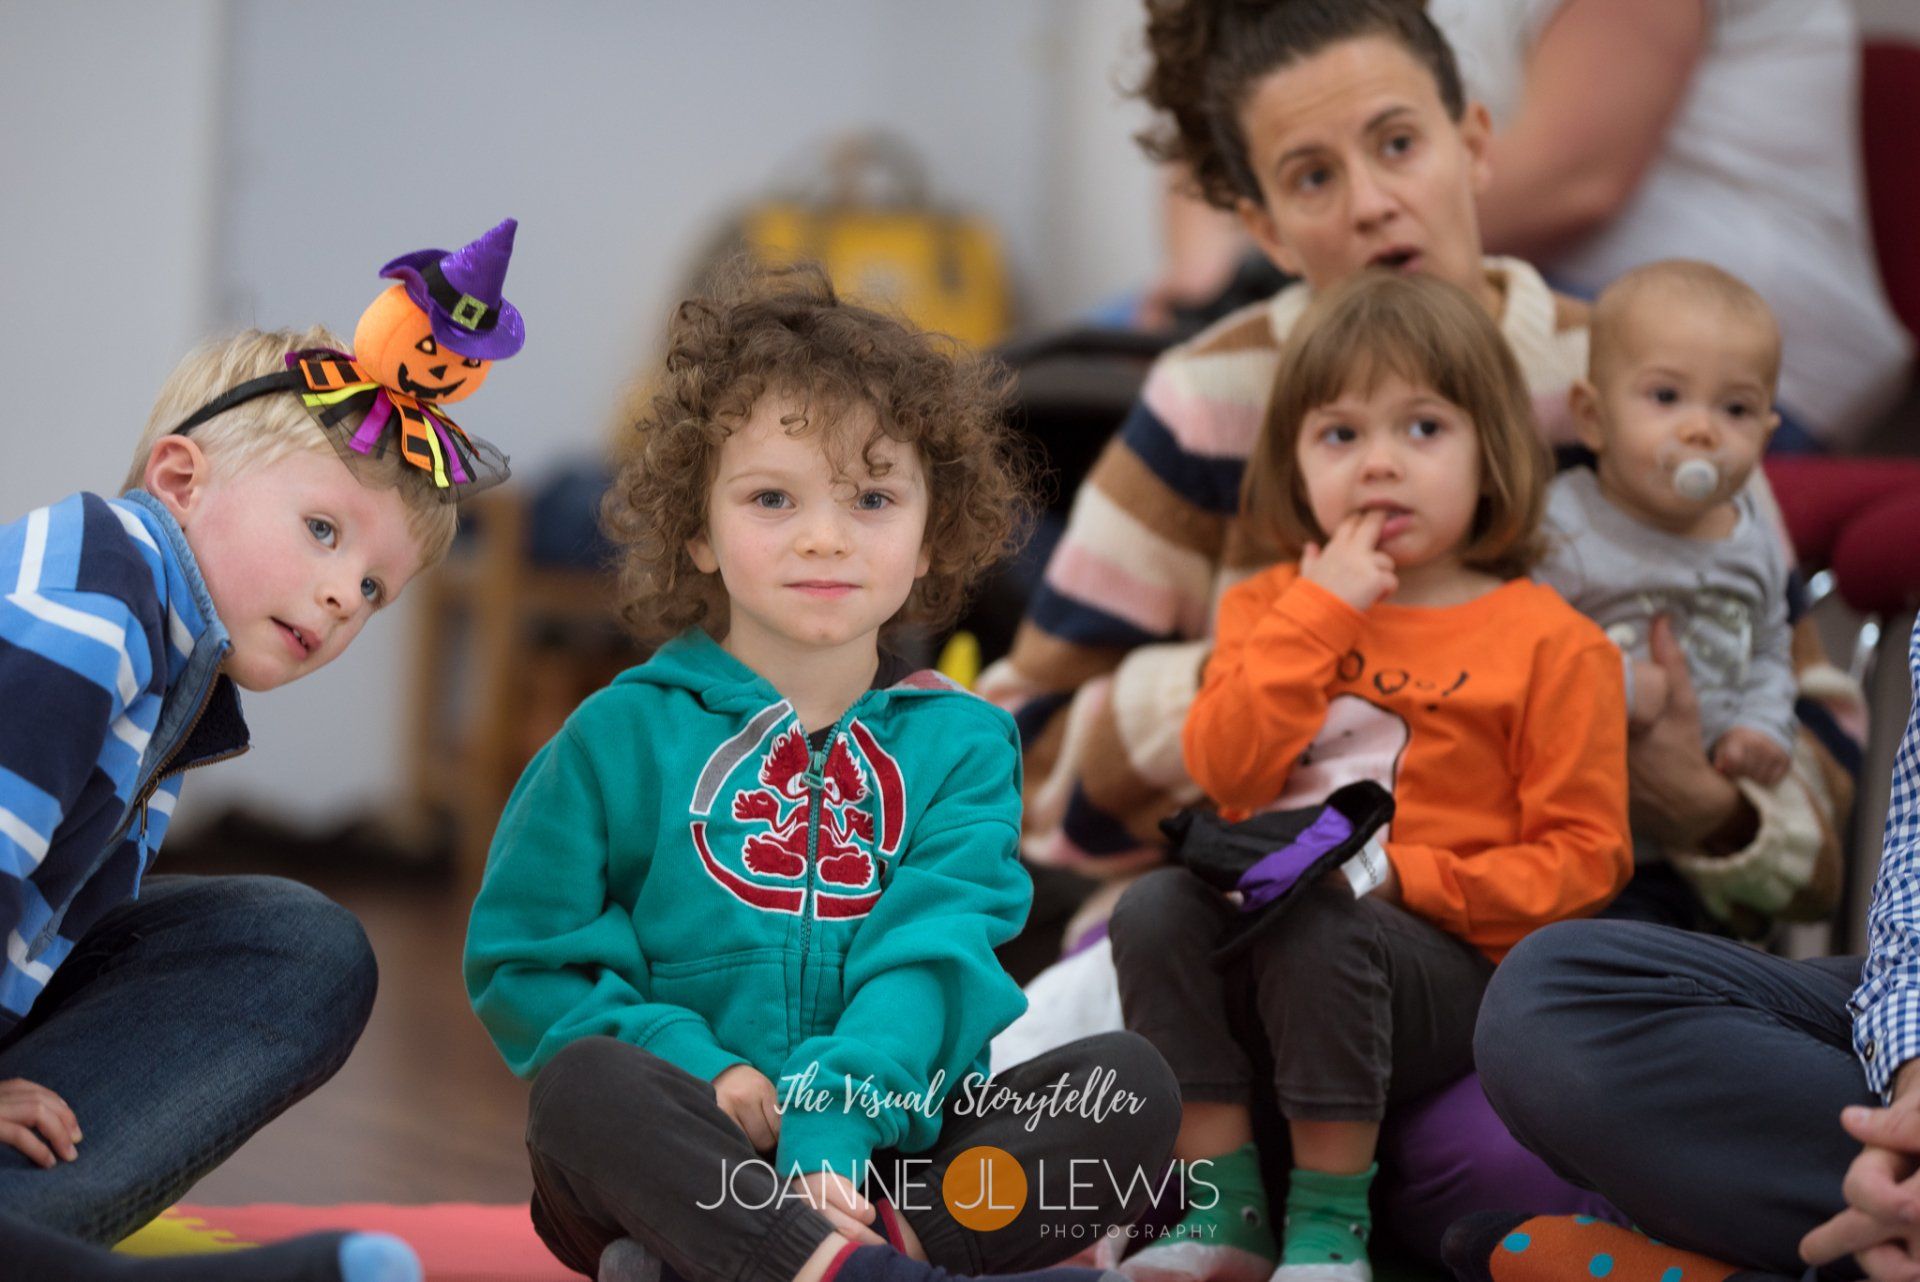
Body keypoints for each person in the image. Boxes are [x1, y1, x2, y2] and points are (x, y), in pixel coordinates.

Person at [982, 0, 1843, 1255]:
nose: (1374, 202)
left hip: (1531, 957)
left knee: (1492, 1145)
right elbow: (1024, 745)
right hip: (1250, 921)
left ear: (1476, 141)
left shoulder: (1646, 380)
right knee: (1097, 1052)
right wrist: (1261, 663)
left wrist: (1691, 790)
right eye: (1313, 176)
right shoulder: (1211, 397)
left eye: (1400, 145)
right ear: (1264, 224)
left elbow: (1820, 809)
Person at [464, 264, 1180, 1282]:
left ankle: (769, 1260)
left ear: (930, 534)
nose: (824, 535)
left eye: (873, 497)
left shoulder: (964, 744)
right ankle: (829, 1263)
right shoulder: (614, 735)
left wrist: (837, 1119)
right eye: (771, 497)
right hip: (687, 1138)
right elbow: (526, 960)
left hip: (898, 1160)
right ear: (698, 533)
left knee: (1128, 1088)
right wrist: (698, 1064)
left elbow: (935, 955)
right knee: (583, 1090)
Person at [0, 221, 524, 1282]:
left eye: (376, 589)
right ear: (181, 479)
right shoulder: (92, 600)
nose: (343, 597)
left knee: (297, 947)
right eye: (324, 532)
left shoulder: (178, 671)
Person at [1109, 272, 1628, 1282]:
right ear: (1294, 462)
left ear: (1490, 453)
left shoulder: (1551, 644)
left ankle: (1329, 1231)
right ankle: (1225, 1212)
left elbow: (1587, 863)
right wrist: (1320, 612)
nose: (1380, 464)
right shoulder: (1272, 606)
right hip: (1265, 943)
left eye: (1422, 429)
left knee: (1320, 914)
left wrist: (1405, 877)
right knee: (1153, 907)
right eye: (1339, 435)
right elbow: (1224, 767)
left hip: (1434, 969)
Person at [1446, 598, 1920, 1278]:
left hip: (1664, 927)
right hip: (1517, 975)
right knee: (1539, 1012)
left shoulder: (1752, 583)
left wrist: (1711, 807)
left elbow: (1816, 874)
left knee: (1476, 1161)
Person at [1428, 0, 1909, 452]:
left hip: (1732, 353)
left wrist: (1363, 238)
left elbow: (1572, 184)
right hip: (1582, 308)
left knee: (1388, 369)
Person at [1535, 260, 1834, 930]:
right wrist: (1614, 682)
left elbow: (1769, 646)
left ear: (1764, 434)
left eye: (1735, 409)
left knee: (1690, 964)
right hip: (1577, 828)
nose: (1702, 430)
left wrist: (1761, 724)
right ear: (1592, 417)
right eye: (1666, 397)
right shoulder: (1564, 524)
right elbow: (1521, 640)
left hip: (1698, 846)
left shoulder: (1751, 538)